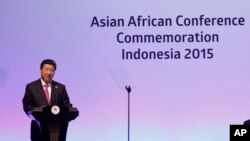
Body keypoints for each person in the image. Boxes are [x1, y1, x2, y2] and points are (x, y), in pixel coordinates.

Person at [22, 59, 72, 141]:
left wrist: (68, 110)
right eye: (46, 69)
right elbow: (27, 106)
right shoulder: (31, 87)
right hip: (38, 129)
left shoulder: (60, 88)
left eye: (52, 70)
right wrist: (36, 113)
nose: (49, 73)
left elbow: (66, 105)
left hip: (57, 129)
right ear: (40, 70)